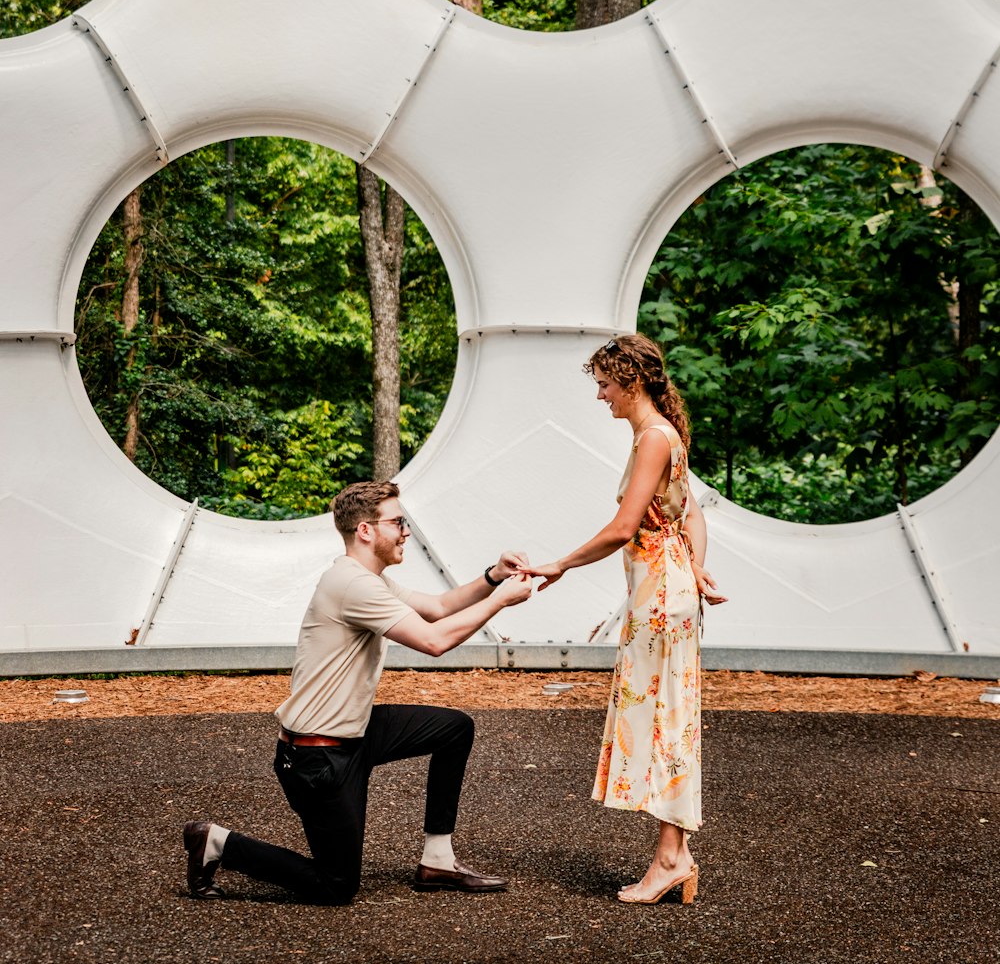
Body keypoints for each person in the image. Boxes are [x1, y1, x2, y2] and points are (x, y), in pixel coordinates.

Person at [183, 479, 532, 905]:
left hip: (357, 732)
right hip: (318, 756)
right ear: (365, 530)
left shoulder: (369, 579)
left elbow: (440, 607)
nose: (405, 532)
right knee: (336, 886)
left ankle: (438, 859)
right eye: (397, 522)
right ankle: (216, 842)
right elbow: (434, 641)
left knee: (454, 728)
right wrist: (501, 601)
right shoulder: (353, 585)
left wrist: (494, 577)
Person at [522, 333, 726, 906]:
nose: (601, 396)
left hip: (660, 597)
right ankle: (673, 856)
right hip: (666, 591)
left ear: (630, 381)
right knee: (669, 718)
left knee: (665, 721)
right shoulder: (658, 433)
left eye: (605, 385)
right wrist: (699, 568)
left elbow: (622, 527)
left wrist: (560, 564)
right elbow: (691, 515)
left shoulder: (654, 439)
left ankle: (670, 859)